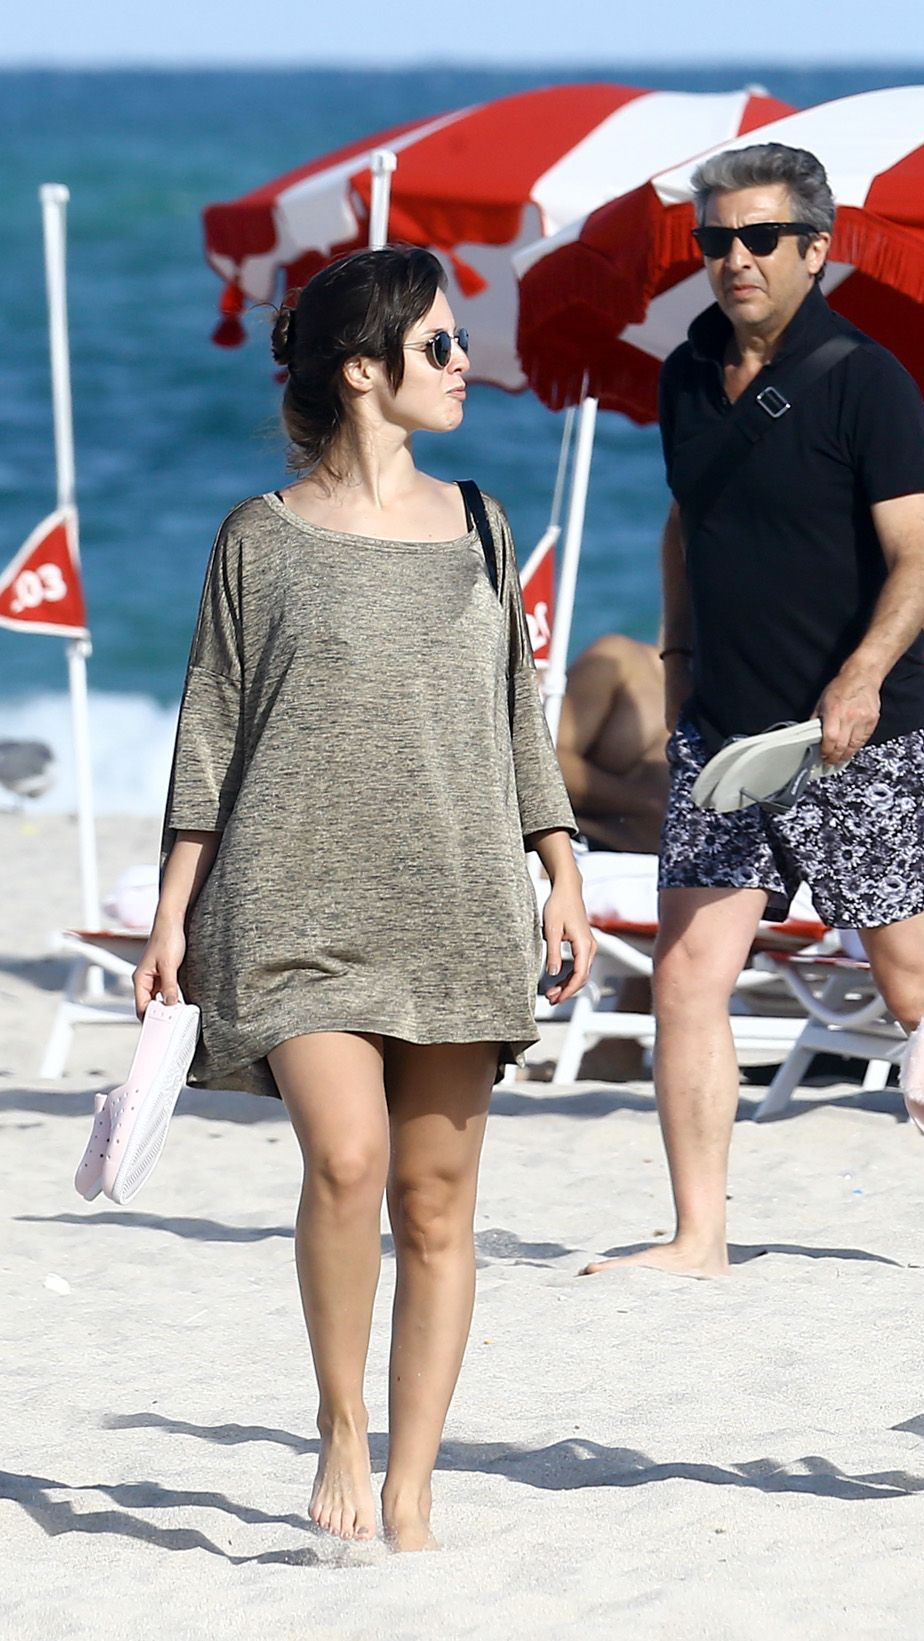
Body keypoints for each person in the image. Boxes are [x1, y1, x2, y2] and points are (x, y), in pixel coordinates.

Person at [134, 246, 592, 1550]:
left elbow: (516, 716)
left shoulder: (484, 525)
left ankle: (411, 1485)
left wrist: (559, 869)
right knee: (347, 1161)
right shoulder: (258, 539)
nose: (463, 365)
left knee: (436, 1207)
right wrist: (172, 911)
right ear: (359, 370)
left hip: (458, 901)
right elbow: (212, 728)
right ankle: (342, 1424)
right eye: (438, 346)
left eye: (459, 344)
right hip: (291, 901)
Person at [583, 142, 924, 1277]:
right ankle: (698, 1237)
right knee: (687, 977)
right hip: (725, 735)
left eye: (760, 238)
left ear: (816, 248)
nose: (735, 258)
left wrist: (862, 673)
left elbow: (919, 556)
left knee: (915, 985)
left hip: (855, 738)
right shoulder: (686, 374)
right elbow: (686, 522)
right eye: (716, 240)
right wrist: (677, 661)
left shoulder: (865, 380)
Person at [555, 633, 669, 853]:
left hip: (673, 867)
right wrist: (647, 803)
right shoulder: (623, 662)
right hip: (584, 849)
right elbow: (541, 762)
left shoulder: (733, 709)